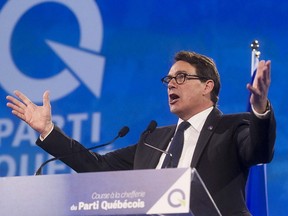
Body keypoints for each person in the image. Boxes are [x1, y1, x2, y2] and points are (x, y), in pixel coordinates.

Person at [6, 51, 276, 215]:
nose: (171, 84)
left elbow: (259, 149)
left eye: (180, 77)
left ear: (207, 86)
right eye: (168, 79)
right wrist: (48, 130)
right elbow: (97, 166)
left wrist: (260, 108)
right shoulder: (154, 140)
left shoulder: (231, 128)